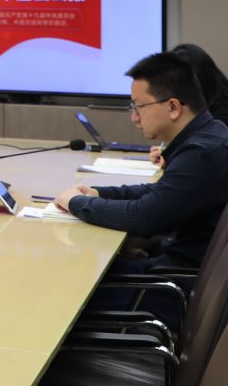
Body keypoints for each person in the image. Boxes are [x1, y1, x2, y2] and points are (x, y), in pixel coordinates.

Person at [53, 51, 228, 328]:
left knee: (61, 288)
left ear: (173, 107)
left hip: (167, 289)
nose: (134, 117)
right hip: (171, 274)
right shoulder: (210, 134)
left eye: (139, 106)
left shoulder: (201, 153)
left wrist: (76, 203)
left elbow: (144, 217)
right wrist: (100, 194)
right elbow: (160, 193)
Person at [149, 43, 228, 167]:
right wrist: (168, 152)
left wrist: (171, 159)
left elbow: (201, 161)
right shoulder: (201, 105)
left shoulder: (220, 119)